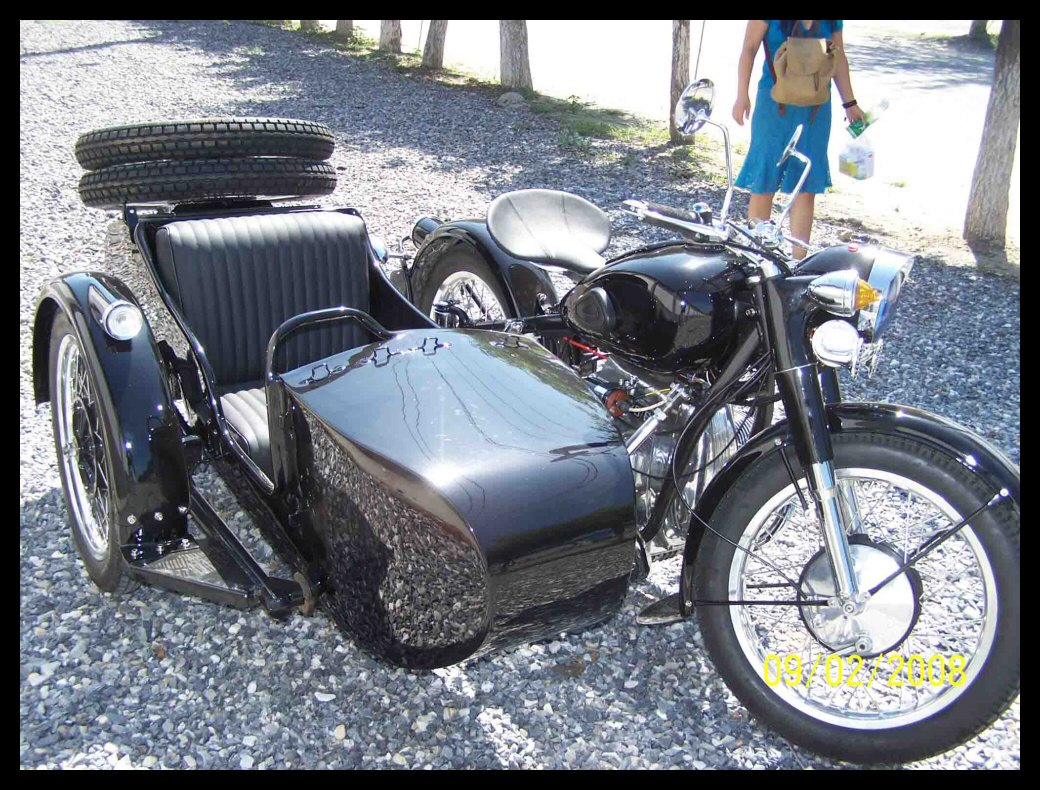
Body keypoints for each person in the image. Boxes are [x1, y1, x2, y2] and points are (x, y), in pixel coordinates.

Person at [732, 20, 865, 258]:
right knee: (764, 180)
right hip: (774, 106)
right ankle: (757, 256)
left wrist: (850, 103)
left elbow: (839, 56)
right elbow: (749, 48)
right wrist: (742, 95)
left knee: (806, 185)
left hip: (816, 109)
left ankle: (798, 261)